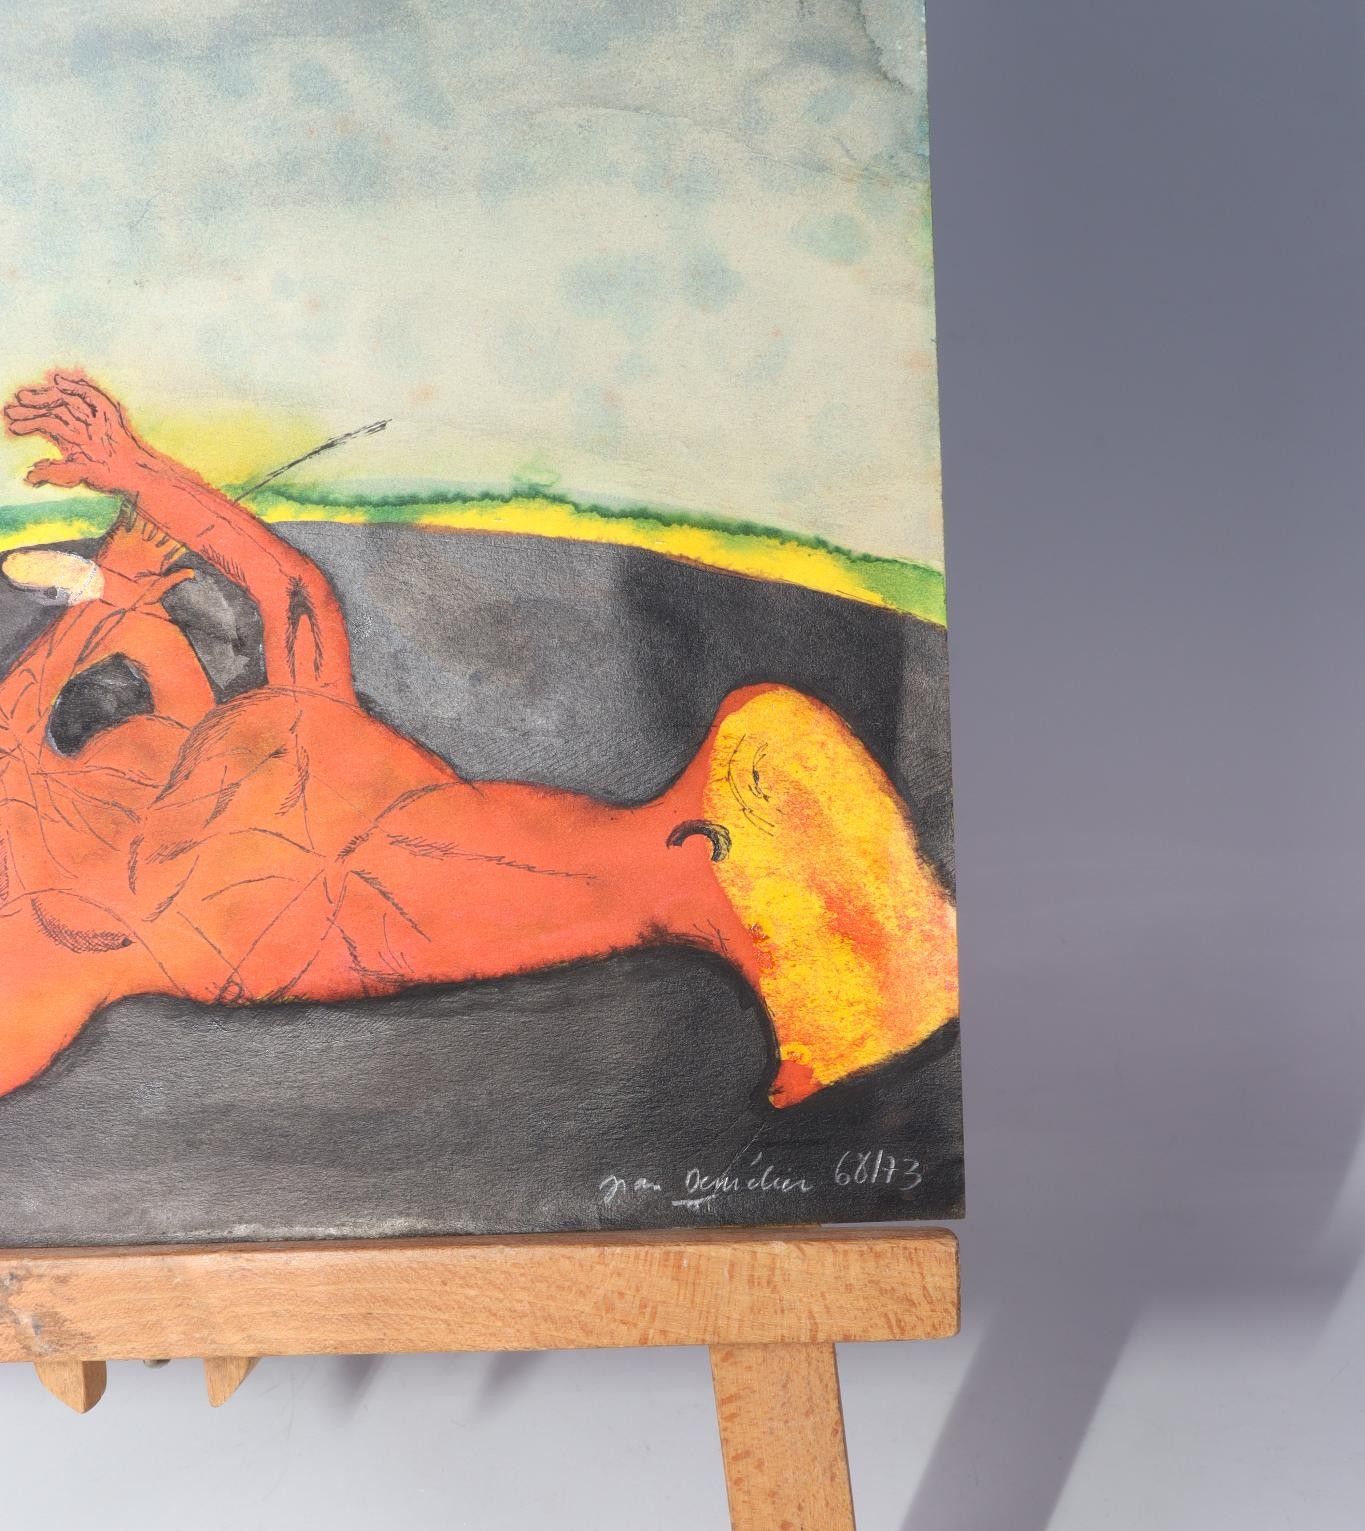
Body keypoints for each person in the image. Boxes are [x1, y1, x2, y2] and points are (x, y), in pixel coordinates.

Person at [1, 371, 957, 1103]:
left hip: (690, 848)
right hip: (686, 856)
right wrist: (120, 536)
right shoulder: (106, 902)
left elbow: (260, 615)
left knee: (717, 836)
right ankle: (841, 965)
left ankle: (844, 961)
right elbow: (273, 605)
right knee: (705, 856)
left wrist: (119, 553)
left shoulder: (182, 797)